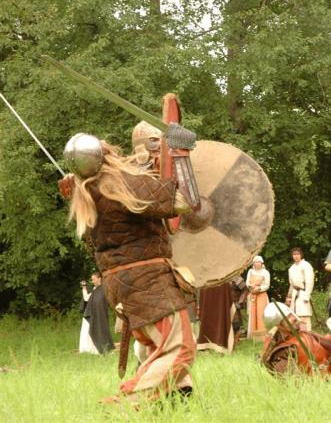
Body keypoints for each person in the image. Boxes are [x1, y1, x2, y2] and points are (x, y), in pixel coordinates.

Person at [58, 124, 201, 404]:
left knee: (155, 347)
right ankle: (126, 405)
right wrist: (181, 154)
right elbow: (186, 201)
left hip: (121, 285)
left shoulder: (88, 194)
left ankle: (175, 403)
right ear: (103, 155)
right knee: (180, 348)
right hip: (147, 280)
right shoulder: (120, 184)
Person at [79, 272, 114, 355]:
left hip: (100, 315)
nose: (93, 281)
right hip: (90, 314)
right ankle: (88, 350)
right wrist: (84, 288)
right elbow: (86, 298)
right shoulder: (94, 289)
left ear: (99, 278)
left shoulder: (104, 289)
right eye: (92, 280)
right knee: (86, 331)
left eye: (94, 279)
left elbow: (103, 303)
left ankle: (102, 348)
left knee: (101, 330)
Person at [197, 282, 235, 354]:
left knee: (214, 314)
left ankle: (207, 345)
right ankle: (216, 343)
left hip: (210, 285)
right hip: (213, 285)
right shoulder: (222, 281)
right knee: (216, 315)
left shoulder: (205, 281)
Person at [286, 247, 315, 330]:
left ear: (301, 255)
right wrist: (289, 297)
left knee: (304, 315)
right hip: (294, 294)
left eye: (298, 254)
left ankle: (307, 335)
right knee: (295, 316)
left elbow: (309, 281)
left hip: (303, 292)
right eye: (294, 254)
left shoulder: (306, 265)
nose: (296, 256)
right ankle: (298, 336)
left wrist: (307, 295)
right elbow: (291, 284)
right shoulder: (291, 268)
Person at [246, 255, 270, 339]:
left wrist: (259, 288)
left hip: (261, 295)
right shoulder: (250, 271)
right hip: (253, 295)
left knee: (261, 314)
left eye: (259, 262)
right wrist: (250, 286)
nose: (257, 263)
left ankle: (262, 336)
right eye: (256, 262)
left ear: (262, 263)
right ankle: (253, 336)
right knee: (253, 314)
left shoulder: (265, 272)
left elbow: (267, 285)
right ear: (253, 263)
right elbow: (247, 282)